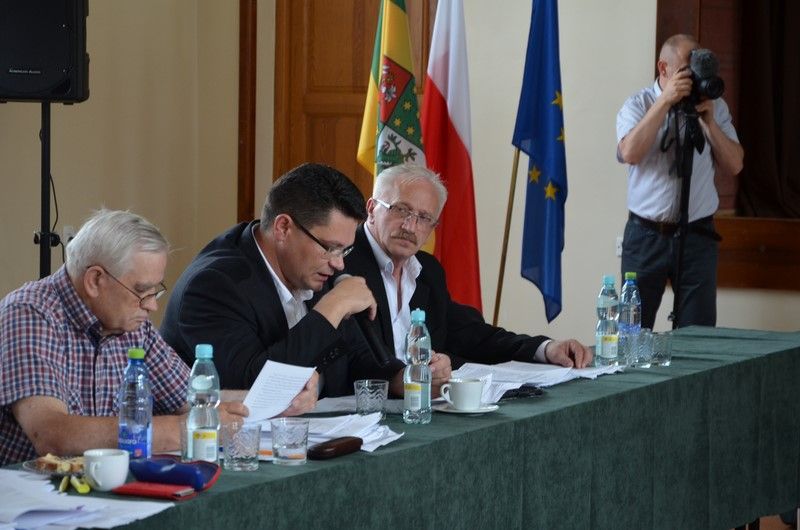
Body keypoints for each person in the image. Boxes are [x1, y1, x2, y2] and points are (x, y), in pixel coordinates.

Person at [0, 209, 316, 467]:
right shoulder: (31, 314)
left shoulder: (132, 323)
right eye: (142, 291)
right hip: (34, 497)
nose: (152, 306)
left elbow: (192, 399)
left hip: (109, 485)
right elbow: (52, 434)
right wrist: (183, 429)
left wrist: (282, 398)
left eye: (156, 291)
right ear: (95, 280)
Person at [160, 163, 450, 398]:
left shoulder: (312, 266)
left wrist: (403, 378)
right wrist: (331, 308)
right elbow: (250, 389)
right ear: (283, 228)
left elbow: (357, 361)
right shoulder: (214, 285)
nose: (339, 263)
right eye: (331, 248)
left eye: (345, 250)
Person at [343, 163, 592, 369]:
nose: (410, 226)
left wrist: (545, 348)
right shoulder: (341, 264)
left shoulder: (427, 270)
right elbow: (346, 360)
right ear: (372, 209)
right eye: (401, 210)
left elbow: (472, 335)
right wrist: (400, 379)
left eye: (424, 218)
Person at [616, 34, 744, 329]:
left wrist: (710, 123)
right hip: (646, 237)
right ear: (664, 68)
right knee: (632, 332)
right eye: (689, 66)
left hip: (698, 236)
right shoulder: (638, 104)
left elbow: (735, 164)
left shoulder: (714, 106)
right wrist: (665, 102)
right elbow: (630, 152)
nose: (696, 74)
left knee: (698, 336)